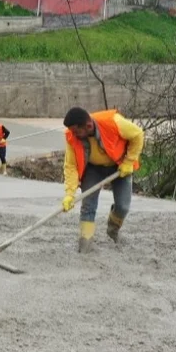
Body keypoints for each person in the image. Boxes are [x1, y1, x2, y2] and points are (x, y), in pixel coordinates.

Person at [60, 107, 144, 253]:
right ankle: (85, 245)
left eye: (76, 131)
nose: (73, 134)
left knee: (123, 207)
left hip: (119, 165)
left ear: (88, 126)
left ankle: (113, 229)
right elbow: (71, 166)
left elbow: (137, 134)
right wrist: (69, 194)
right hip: (93, 168)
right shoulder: (72, 137)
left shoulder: (114, 122)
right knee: (88, 206)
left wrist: (129, 161)